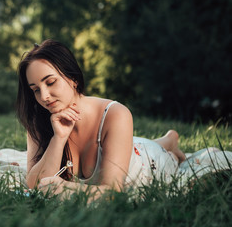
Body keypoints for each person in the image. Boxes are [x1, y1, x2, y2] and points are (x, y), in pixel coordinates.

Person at [16, 39, 187, 200]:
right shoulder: (39, 119)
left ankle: (170, 140)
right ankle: (166, 140)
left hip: (147, 162)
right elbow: (34, 184)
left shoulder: (115, 114)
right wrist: (58, 139)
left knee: (146, 148)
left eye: (51, 82)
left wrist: (65, 189)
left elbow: (113, 193)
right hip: (122, 144)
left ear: (73, 78)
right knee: (132, 144)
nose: (44, 96)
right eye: (36, 90)